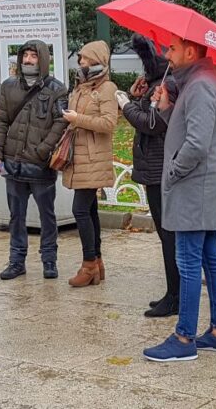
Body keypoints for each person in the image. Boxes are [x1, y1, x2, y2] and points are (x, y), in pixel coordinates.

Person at [143, 35, 216, 362]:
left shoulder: (198, 86)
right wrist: (168, 109)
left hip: (193, 190)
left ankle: (184, 337)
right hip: (203, 189)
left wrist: (172, 173)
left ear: (190, 50)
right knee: (211, 258)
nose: (166, 53)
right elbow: (192, 132)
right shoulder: (202, 81)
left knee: (187, 262)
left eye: (171, 48)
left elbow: (196, 145)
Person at [0, 40, 68, 281]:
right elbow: (1, 121)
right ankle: (16, 261)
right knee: (16, 216)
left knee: (47, 215)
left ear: (42, 59)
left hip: (40, 166)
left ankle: (49, 260)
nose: (28, 60)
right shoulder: (9, 86)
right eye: (25, 55)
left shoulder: (57, 89)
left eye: (34, 55)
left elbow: (61, 122)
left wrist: (43, 150)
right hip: (13, 164)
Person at [117, 34, 180, 317]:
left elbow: (152, 123)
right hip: (154, 165)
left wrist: (125, 105)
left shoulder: (169, 84)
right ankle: (173, 292)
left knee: (169, 236)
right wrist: (137, 97)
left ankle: (176, 296)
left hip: (161, 167)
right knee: (166, 235)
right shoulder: (158, 83)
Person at [62, 41, 118, 287]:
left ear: (96, 60)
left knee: (80, 210)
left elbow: (109, 123)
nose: (81, 62)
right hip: (80, 157)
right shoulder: (80, 87)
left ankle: (88, 265)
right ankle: (97, 264)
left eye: (85, 58)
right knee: (90, 210)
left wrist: (78, 119)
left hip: (93, 158)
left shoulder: (107, 88)